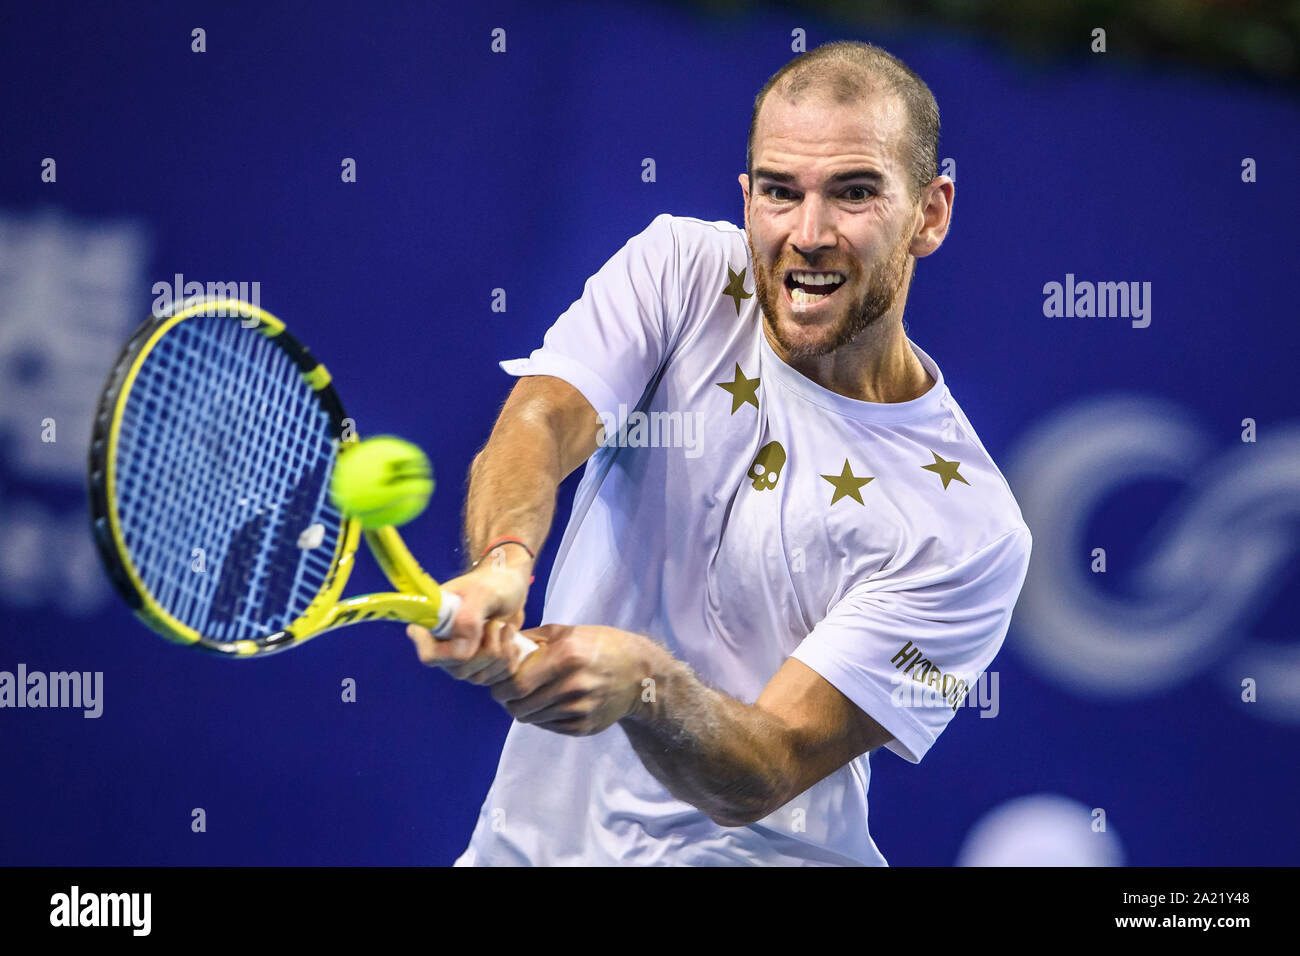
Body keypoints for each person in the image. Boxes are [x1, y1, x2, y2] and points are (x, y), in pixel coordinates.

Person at [407, 40, 1032, 866]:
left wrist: (647, 686)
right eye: (780, 191)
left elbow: (766, 770)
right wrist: (505, 561)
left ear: (931, 211)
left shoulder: (972, 530)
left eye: (853, 194)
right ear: (747, 199)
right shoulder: (682, 270)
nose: (808, 234)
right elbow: (541, 420)